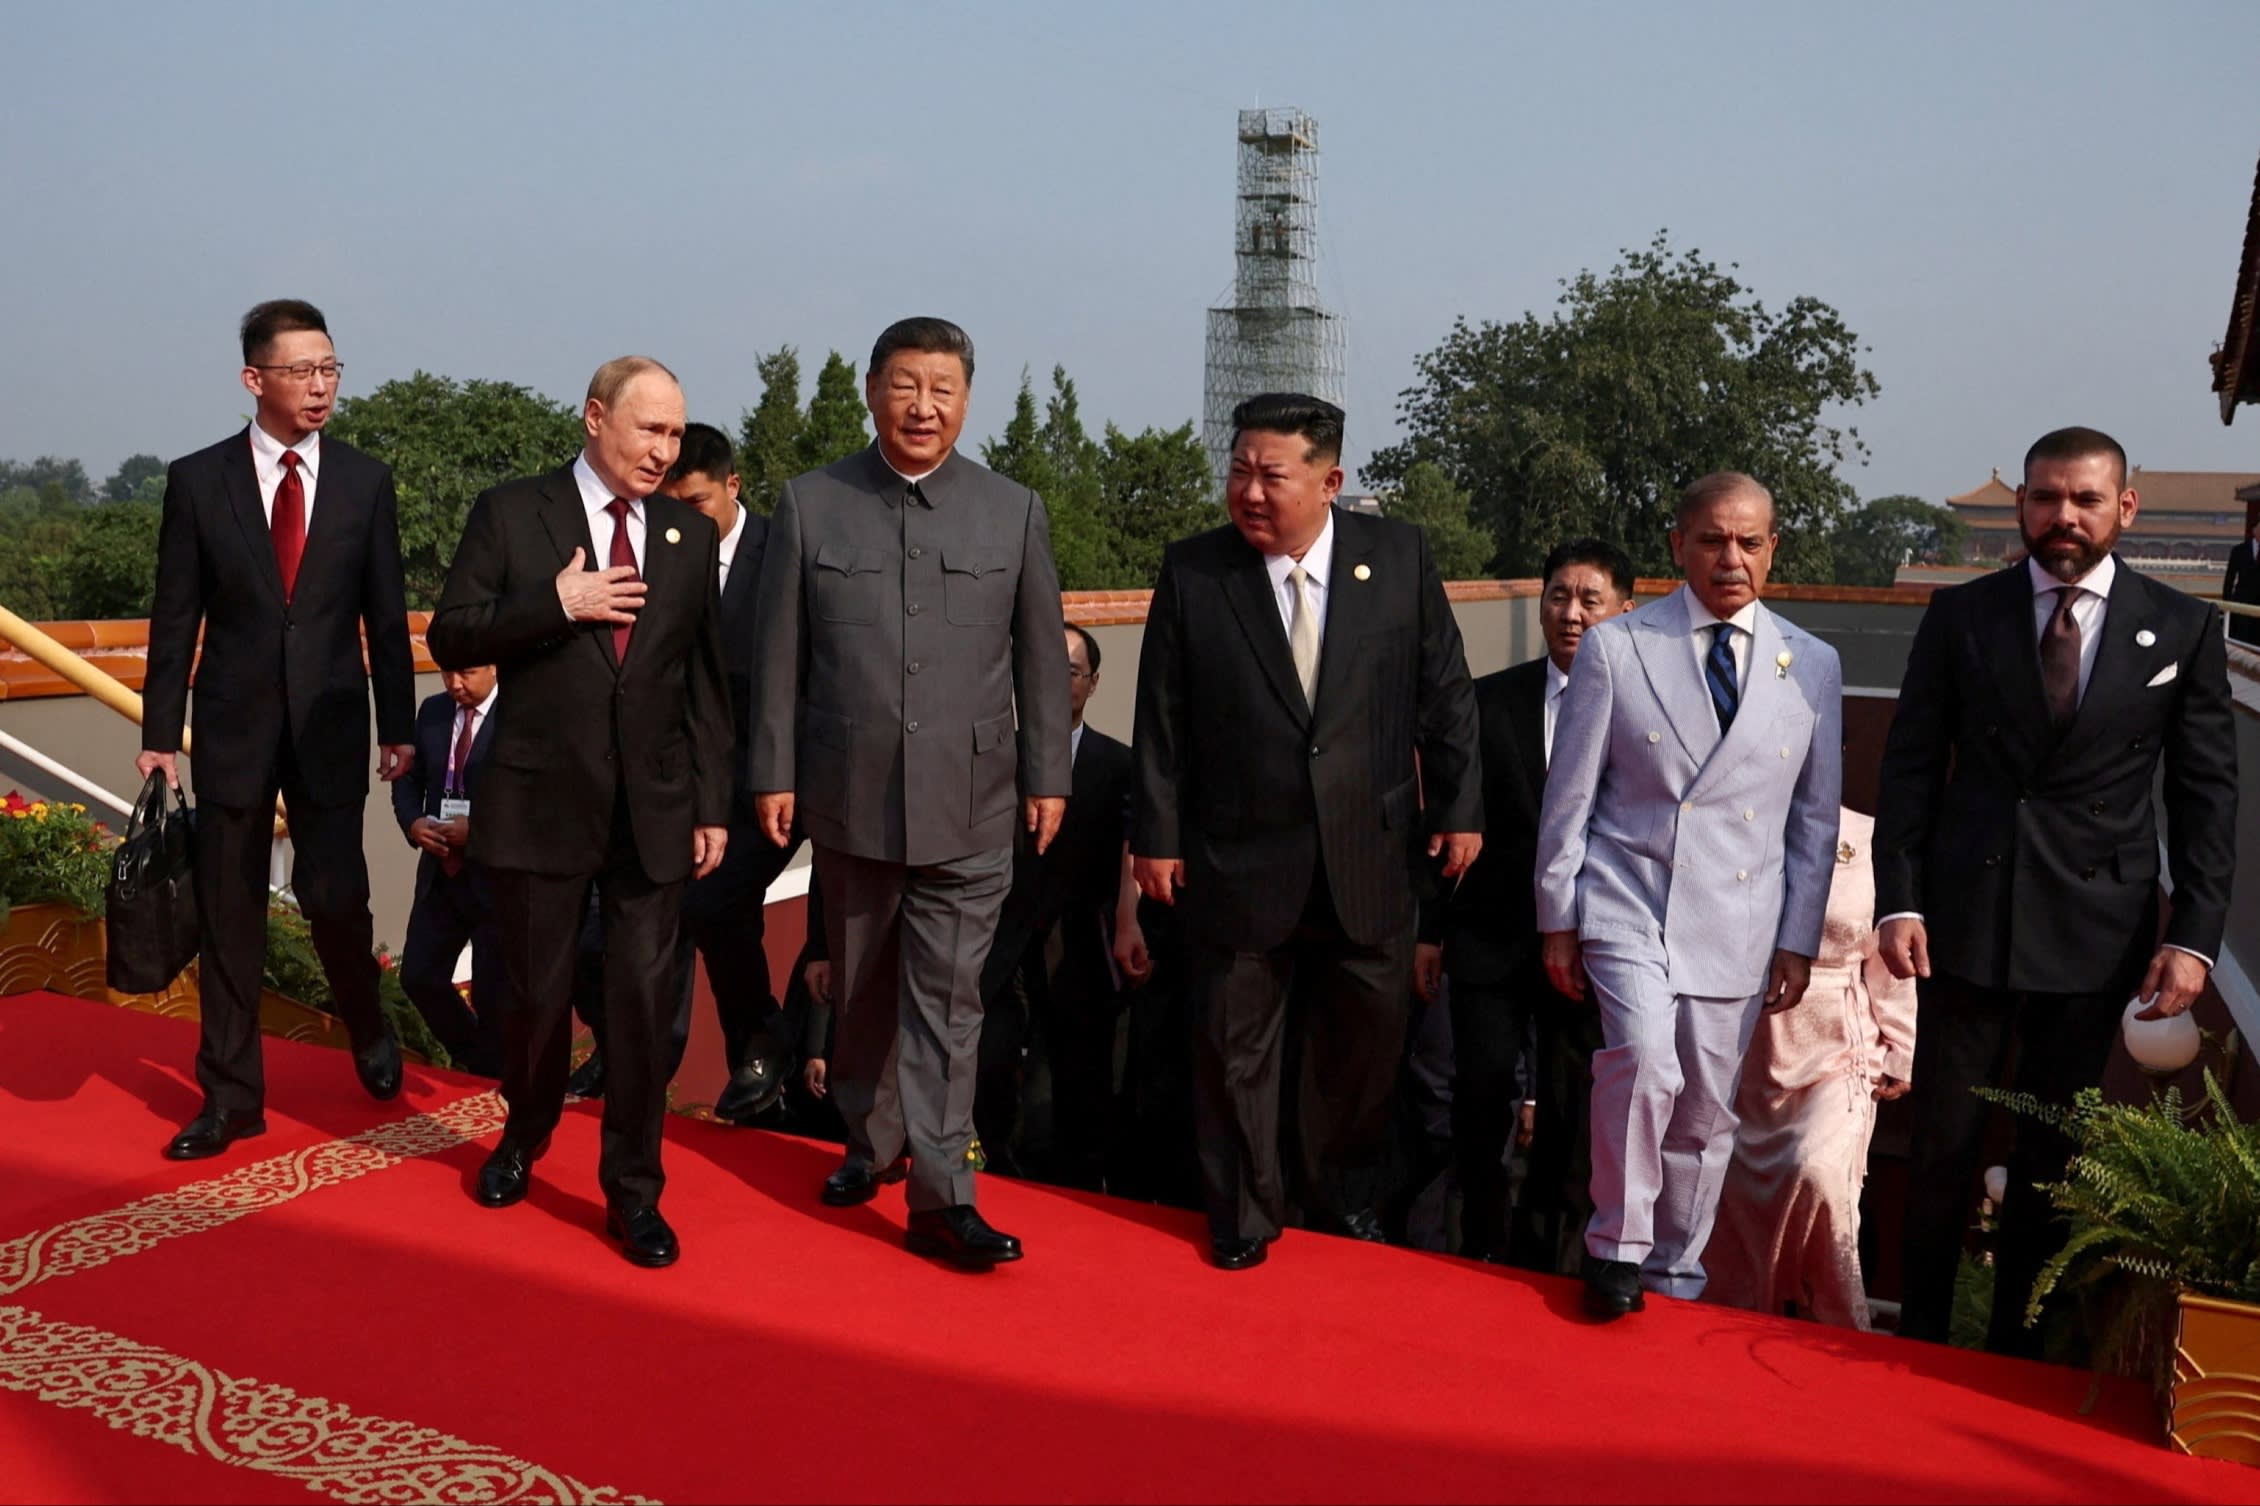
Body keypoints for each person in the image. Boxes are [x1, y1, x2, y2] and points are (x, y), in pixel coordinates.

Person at [1875, 426, 2238, 1356]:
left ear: (2125, 507)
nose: (2062, 517)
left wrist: (2193, 937)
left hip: (2096, 930)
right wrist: (1900, 898)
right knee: (1944, 1149)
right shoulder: (1965, 616)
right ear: (2021, 509)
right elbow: (1912, 766)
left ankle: (2017, 1354)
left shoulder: (2184, 625)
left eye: (2083, 499)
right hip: (1962, 922)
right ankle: (1914, 1344)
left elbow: (2205, 794)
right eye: (2045, 498)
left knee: (2050, 1157)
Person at [1130, 392, 1483, 1271]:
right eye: (1239, 470)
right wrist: (1156, 835)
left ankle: (1343, 1199)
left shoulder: (1395, 557)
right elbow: (1161, 717)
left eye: (1270, 475)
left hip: (1370, 854)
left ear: (1330, 480)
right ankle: (1245, 1212)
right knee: (1233, 1049)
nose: (1249, 491)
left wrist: (1460, 807)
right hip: (1237, 854)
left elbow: (1446, 694)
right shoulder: (1196, 571)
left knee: (1360, 1051)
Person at [748, 317, 1072, 1269]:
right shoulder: (813, 504)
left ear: (966, 400)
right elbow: (779, 657)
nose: (923, 406)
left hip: (971, 804)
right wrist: (774, 771)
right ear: (872, 391)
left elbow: (1041, 661)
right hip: (849, 799)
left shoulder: (1013, 510)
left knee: (947, 1003)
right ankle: (870, 1140)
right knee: (863, 993)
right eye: (905, 385)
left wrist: (1049, 774)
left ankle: (941, 1199)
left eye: (942, 388)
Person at [427, 356, 732, 1269]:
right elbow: (452, 632)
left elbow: (704, 684)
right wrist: (555, 603)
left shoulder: (686, 534)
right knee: (533, 997)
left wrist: (711, 802)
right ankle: (523, 1134)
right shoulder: (513, 512)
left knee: (641, 1009)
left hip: (654, 812)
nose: (663, 450)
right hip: (537, 802)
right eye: (649, 430)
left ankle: (634, 1191)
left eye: (676, 434)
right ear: (596, 418)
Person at [1536, 472, 1843, 1320]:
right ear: (1678, 547)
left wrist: (1798, 937)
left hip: (1740, 918)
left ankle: (1675, 1262)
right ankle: (1616, 1246)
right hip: (1628, 896)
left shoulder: (1812, 666)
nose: (1731, 559)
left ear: (1773, 549)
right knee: (1639, 1063)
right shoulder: (1619, 647)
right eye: (1712, 540)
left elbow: (1814, 820)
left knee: (1705, 1109)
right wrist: (1558, 917)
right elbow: (1572, 796)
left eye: (1749, 542)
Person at [139, 299, 416, 1160]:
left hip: (333, 725)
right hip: (232, 727)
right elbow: (174, 617)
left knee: (337, 899)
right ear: (254, 379)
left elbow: (384, 611)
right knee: (230, 916)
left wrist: (399, 726)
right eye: (302, 371)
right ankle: (230, 1097)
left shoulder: (366, 482)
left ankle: (367, 1024)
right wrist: (159, 731)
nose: (321, 386)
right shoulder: (198, 480)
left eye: (331, 368)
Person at [568, 423, 797, 1123]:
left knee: (712, 905)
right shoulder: (652, 553)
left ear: (732, 487)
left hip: (766, 785)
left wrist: (780, 777)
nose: (681, 520)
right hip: (671, 778)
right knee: (613, 925)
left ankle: (756, 1049)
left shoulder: (786, 556)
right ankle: (629, 1050)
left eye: (695, 504)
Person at [1427, 537, 1634, 1267]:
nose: (1571, 613)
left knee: (1571, 1108)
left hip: (1593, 943)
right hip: (1491, 936)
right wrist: (1431, 931)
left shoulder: (1643, 708)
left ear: (1624, 610)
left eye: (1590, 600)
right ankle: (1477, 1245)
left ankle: (1549, 1254)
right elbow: (1447, 820)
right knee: (1481, 1096)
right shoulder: (1488, 700)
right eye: (1558, 596)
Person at [1705, 804, 1914, 1329]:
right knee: (1732, 1192)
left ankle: (1834, 1325)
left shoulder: (1869, 836)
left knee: (1818, 1172)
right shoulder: (1733, 819)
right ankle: (1734, 1324)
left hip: (1839, 1044)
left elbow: (1890, 950)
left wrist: (1902, 1045)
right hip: (1744, 1044)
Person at [974, 623, 1133, 1187]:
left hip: (1079, 948)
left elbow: (1129, 855)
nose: (1057, 681)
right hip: (998, 943)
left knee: (1074, 1082)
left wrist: (1127, 922)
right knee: (991, 1069)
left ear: (1092, 684)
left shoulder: (1117, 766)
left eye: (1071, 670)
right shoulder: (994, 759)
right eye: (1046, 669)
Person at [392, 662, 506, 1078]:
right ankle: (477, 1056)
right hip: (442, 872)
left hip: (495, 878)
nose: (455, 684)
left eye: (467, 673)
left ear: (494, 666)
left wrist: (479, 831)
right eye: (447, 674)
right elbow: (408, 780)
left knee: (494, 994)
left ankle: (497, 1079)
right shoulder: (434, 712)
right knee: (420, 976)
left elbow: (536, 797)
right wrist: (413, 822)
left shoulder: (519, 715)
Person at [2223, 516, 2260, 648]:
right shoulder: (2239, 550)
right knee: (2241, 639)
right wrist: (2226, 603)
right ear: (2254, 530)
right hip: (2241, 601)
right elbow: (2229, 578)